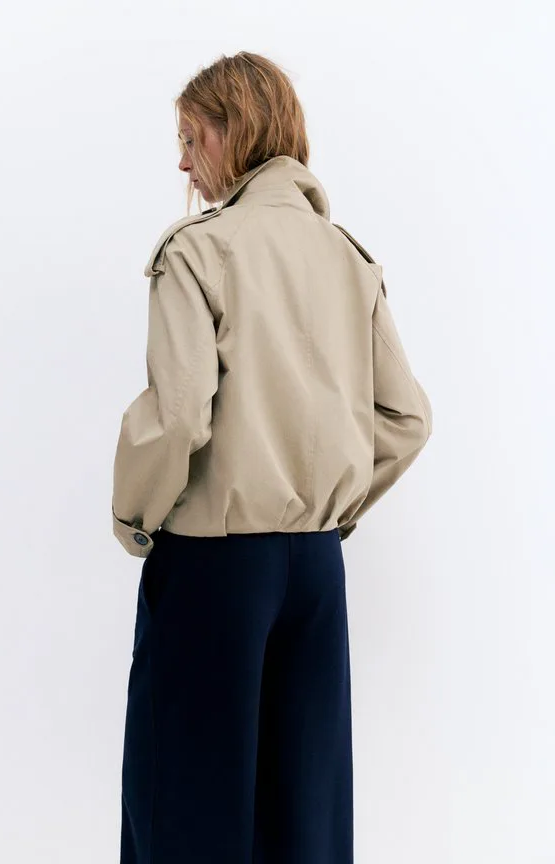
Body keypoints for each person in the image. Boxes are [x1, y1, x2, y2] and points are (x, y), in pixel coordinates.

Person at [112, 50, 432, 864]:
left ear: (236, 130)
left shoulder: (199, 251)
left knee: (187, 811)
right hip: (316, 571)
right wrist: (329, 508)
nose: (182, 163)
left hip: (214, 567)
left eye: (191, 138)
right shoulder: (346, 256)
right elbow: (406, 417)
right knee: (305, 823)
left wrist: (135, 517)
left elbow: (179, 415)